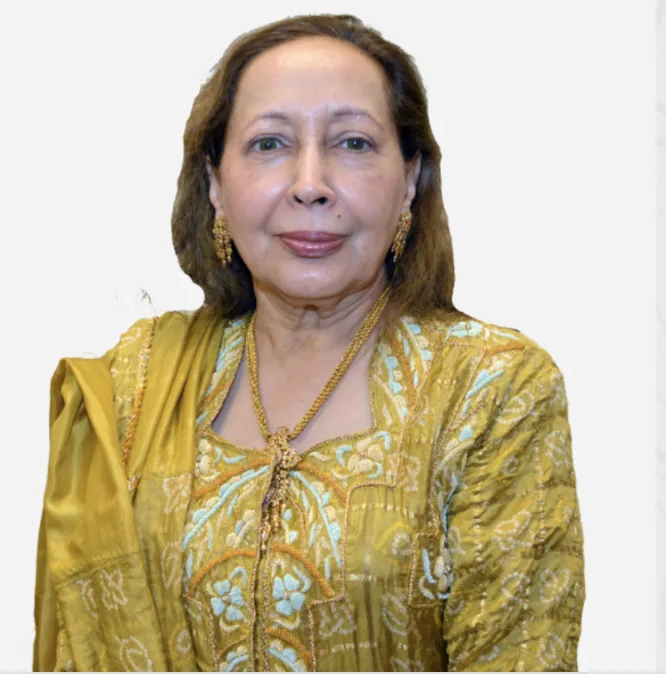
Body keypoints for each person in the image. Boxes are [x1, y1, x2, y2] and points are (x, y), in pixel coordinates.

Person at [33, 13, 585, 672]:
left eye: (353, 143)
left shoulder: (488, 389)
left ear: (410, 179)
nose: (310, 184)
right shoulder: (138, 382)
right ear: (215, 183)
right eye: (269, 144)